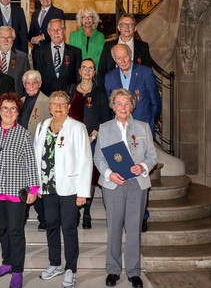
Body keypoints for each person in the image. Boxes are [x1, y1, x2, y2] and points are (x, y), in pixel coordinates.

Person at [94, 88, 157, 288]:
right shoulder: (104, 128)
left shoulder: (143, 127)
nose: (123, 107)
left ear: (132, 106)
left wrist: (143, 166)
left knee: (133, 228)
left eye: (127, 103)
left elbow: (152, 157)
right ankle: (113, 270)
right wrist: (109, 174)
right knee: (114, 228)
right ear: (113, 106)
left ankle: (133, 272)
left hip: (137, 184)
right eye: (119, 103)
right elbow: (98, 158)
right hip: (113, 184)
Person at [34, 91, 92, 288]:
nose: (57, 106)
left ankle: (70, 269)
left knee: (68, 228)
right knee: (51, 225)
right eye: (54, 103)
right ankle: (55, 264)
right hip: (48, 187)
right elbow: (37, 157)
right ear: (49, 107)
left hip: (70, 188)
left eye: (62, 103)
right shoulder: (42, 126)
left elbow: (86, 160)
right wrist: (38, 185)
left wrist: (83, 191)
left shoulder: (77, 127)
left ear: (68, 106)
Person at [104, 44, 161, 232]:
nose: (123, 61)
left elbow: (155, 101)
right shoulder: (110, 77)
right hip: (118, 131)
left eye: (125, 56)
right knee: (122, 173)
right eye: (119, 58)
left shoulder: (145, 72)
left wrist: (149, 125)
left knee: (141, 174)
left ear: (131, 55)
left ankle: (141, 216)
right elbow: (109, 105)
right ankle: (121, 216)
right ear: (115, 60)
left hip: (140, 130)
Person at [0, 92, 39, 288]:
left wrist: (33, 188)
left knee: (16, 231)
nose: (9, 112)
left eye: (13, 108)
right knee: (1, 228)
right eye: (5, 108)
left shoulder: (23, 133)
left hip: (16, 190)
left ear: (18, 112)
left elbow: (31, 163)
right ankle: (7, 262)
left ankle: (17, 270)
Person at [67, 59, 112, 229]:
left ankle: (86, 212)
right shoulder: (71, 90)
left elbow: (105, 117)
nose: (87, 71)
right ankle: (75, 211)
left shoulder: (100, 92)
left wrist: (93, 135)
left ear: (94, 73)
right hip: (72, 140)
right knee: (73, 174)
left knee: (89, 176)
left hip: (91, 141)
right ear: (79, 71)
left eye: (90, 68)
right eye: (84, 67)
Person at [17, 70, 51, 231]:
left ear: (40, 84)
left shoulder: (47, 102)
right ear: (23, 85)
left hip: (39, 153)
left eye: (34, 83)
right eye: (28, 83)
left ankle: (43, 218)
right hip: (20, 151)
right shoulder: (20, 101)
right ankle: (21, 217)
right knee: (21, 185)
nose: (31, 86)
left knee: (37, 187)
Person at [98, 14, 151, 86]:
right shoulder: (108, 46)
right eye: (123, 25)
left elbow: (147, 72)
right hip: (113, 89)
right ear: (118, 28)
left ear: (135, 28)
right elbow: (101, 71)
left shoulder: (143, 47)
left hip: (136, 91)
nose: (127, 27)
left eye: (130, 25)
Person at [33, 19, 82, 96]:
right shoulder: (39, 52)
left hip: (68, 97)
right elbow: (37, 78)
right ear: (48, 32)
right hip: (46, 97)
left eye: (59, 29)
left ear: (64, 31)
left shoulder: (75, 52)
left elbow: (78, 78)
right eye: (52, 30)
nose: (56, 33)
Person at [0, 26, 30, 97]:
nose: (6, 40)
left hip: (15, 100)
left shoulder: (22, 57)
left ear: (13, 39)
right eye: (3, 37)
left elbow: (27, 82)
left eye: (9, 37)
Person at [69, 8, 105, 73]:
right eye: (84, 17)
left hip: (95, 71)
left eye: (89, 17)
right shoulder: (73, 35)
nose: (87, 19)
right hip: (78, 71)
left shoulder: (100, 36)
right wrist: (83, 68)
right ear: (81, 20)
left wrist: (90, 68)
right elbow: (72, 56)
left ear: (94, 19)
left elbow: (101, 56)